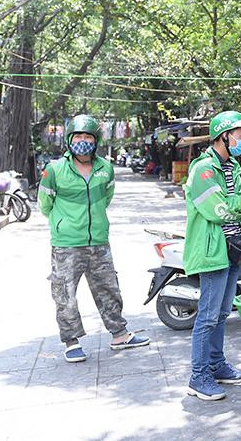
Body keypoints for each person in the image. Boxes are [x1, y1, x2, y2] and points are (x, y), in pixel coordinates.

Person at [39, 115, 149, 364]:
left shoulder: (105, 168)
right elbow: (45, 205)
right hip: (66, 243)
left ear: (95, 141)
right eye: (78, 136)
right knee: (64, 294)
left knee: (109, 288)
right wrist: (64, 223)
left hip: (99, 240)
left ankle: (119, 335)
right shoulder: (54, 170)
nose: (83, 141)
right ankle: (71, 341)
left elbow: (106, 198)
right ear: (69, 140)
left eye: (88, 136)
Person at [183, 111, 241, 401]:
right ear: (224, 136)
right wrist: (237, 204)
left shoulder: (233, 168)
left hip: (232, 249)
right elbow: (217, 210)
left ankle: (216, 365)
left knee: (222, 313)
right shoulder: (204, 169)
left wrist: (238, 204)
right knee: (207, 316)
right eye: (240, 136)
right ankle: (198, 376)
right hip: (211, 250)